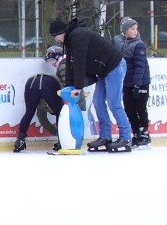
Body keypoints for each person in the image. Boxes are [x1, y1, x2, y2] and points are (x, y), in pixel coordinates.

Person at [50, 17, 132, 152]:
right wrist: (70, 86)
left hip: (114, 65)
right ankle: (105, 136)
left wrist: (78, 87)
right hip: (103, 69)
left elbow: (80, 62)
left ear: (61, 32)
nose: (56, 40)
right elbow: (71, 64)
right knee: (98, 102)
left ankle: (126, 137)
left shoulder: (78, 36)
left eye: (55, 36)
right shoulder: (70, 39)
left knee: (113, 103)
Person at [13, 46, 65, 153]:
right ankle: (62, 140)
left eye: (52, 61)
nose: (52, 64)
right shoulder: (64, 65)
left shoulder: (61, 66)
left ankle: (20, 141)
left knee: (29, 113)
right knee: (59, 113)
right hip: (49, 83)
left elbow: (41, 117)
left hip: (31, 82)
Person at [113, 16, 151, 148]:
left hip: (140, 83)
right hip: (126, 83)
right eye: (132, 29)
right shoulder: (120, 42)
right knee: (129, 109)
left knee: (140, 108)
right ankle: (136, 133)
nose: (135, 31)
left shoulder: (139, 45)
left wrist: (137, 85)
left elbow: (140, 67)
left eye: (136, 29)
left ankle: (144, 134)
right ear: (125, 30)